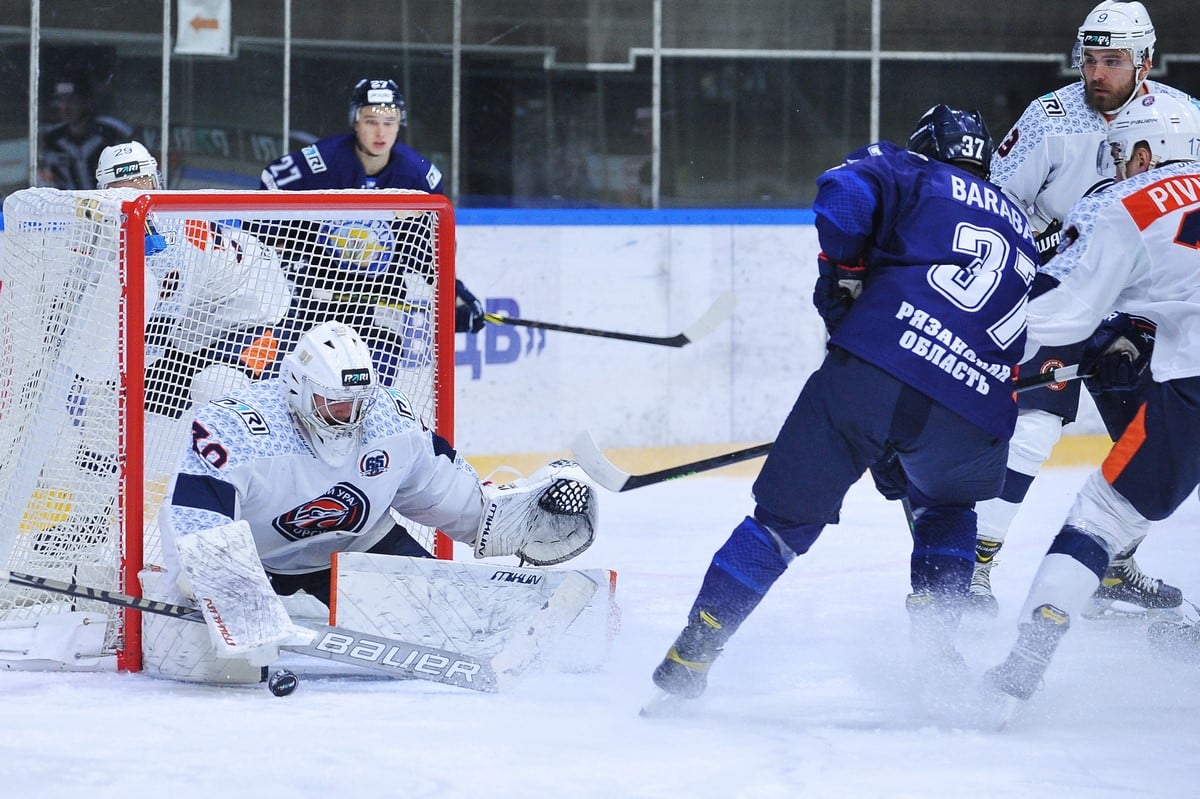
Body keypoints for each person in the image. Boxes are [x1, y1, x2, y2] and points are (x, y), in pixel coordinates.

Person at [644, 105, 1040, 711]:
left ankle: (691, 655)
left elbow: (843, 195)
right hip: (973, 408)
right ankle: (938, 658)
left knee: (779, 525)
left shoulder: (914, 172)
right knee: (948, 507)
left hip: (875, 370)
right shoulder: (1022, 228)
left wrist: (849, 272)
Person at [146, 320, 598, 683]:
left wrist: (509, 524)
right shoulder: (237, 429)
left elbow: (442, 492)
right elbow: (197, 526)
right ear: (298, 391)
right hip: (258, 562)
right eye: (335, 404)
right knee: (226, 667)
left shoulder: (388, 417)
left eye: (358, 401)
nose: (350, 416)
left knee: (454, 623)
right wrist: (218, 583)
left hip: (359, 546)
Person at [967, 0, 1198, 616]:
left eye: (1112, 62)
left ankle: (1113, 562)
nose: (1096, 74)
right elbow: (995, 211)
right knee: (1034, 427)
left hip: (1142, 307)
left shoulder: (1185, 115)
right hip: (1061, 292)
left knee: (1154, 444)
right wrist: (1053, 248)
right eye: (1089, 60)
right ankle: (975, 563)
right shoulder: (1048, 120)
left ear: (1145, 63)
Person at [985, 93, 1200, 703]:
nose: (1114, 166)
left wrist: (977, 359)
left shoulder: (1123, 200)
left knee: (1099, 519)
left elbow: (1057, 315)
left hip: (1192, 385)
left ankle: (1021, 670)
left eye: (1116, 154)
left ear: (1142, 152)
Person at [259, 77, 486, 336]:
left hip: (381, 304)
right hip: (316, 301)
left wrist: (454, 295)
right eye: (371, 121)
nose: (381, 133)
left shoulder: (418, 177)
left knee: (379, 372)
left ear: (400, 123)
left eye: (389, 122)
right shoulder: (321, 162)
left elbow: (429, 251)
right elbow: (271, 182)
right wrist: (287, 252)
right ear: (355, 121)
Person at [39, 69, 133, 190]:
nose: (65, 107)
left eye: (72, 100)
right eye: (61, 100)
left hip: (108, 205)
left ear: (87, 101)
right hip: (66, 206)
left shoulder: (113, 132)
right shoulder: (52, 138)